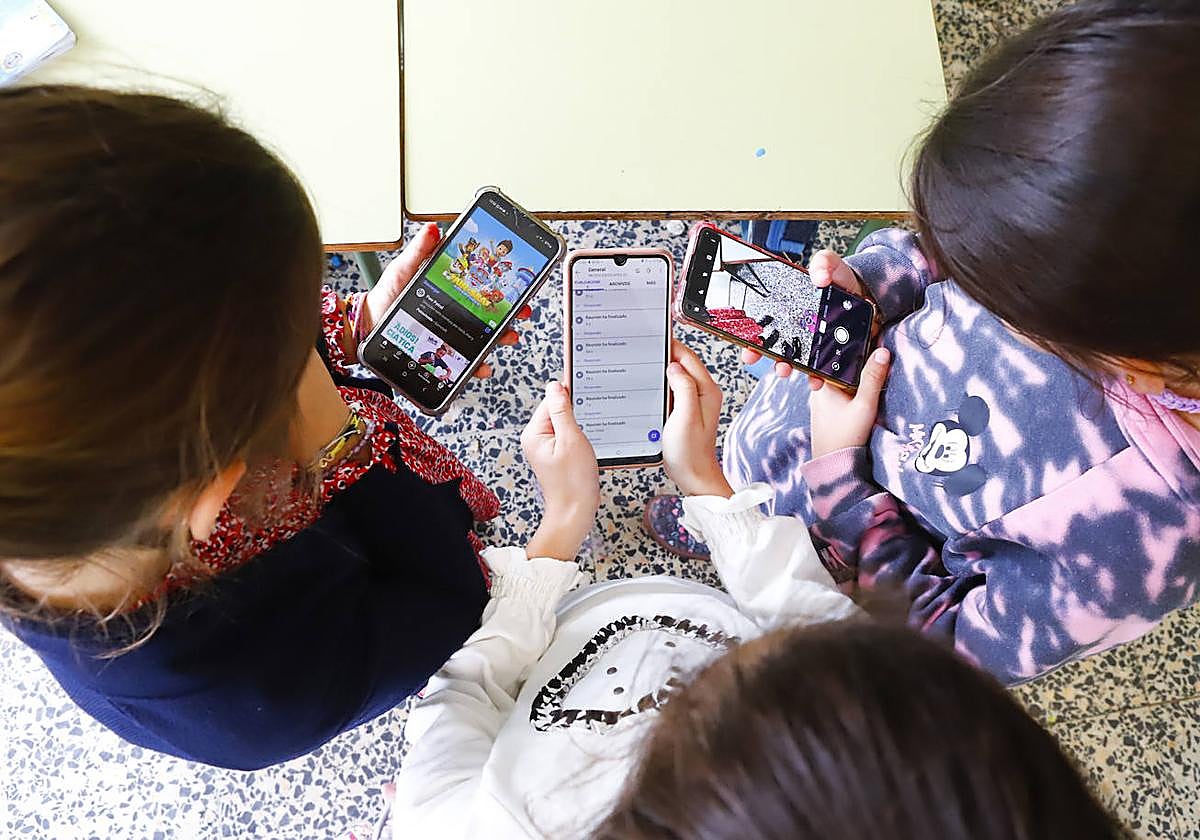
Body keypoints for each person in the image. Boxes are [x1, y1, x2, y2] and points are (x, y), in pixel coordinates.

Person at [646, 0, 1200, 684]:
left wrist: (838, 472)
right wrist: (864, 289)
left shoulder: (1134, 545)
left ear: (1137, 365)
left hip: (831, 584)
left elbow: (940, 654)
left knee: (757, 624)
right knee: (730, 501)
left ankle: (728, 525)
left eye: (994, 290)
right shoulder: (1081, 242)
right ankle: (721, 513)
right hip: (781, 443)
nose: (970, 282)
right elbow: (939, 256)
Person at [390, 343, 1124, 840]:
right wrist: (707, 486)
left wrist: (562, 523)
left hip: (563, 632)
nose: (686, 689)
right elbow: (817, 628)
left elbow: (468, 687)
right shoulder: (892, 747)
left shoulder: (454, 822)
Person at [0, 85, 528, 770]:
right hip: (399, 542)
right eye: (291, 350)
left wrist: (358, 335)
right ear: (222, 489)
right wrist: (346, 444)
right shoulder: (257, 699)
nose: (312, 325)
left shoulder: (56, 491)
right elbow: (446, 601)